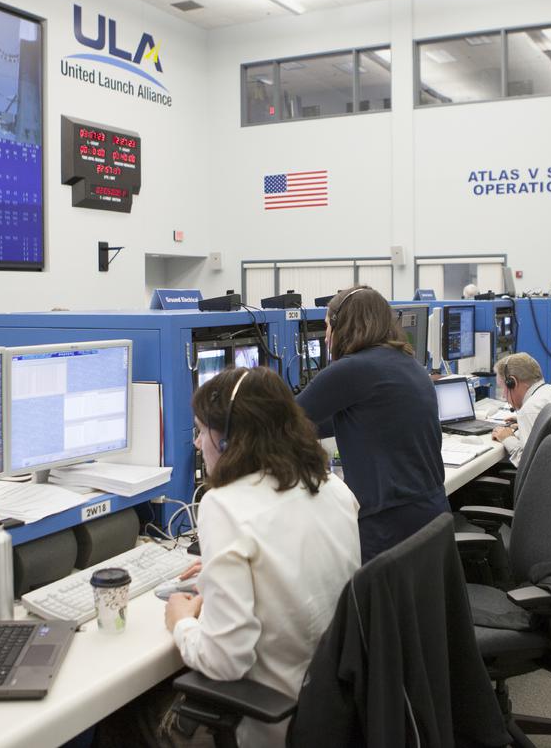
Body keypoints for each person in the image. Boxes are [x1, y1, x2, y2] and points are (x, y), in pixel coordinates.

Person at [164, 366, 361, 748]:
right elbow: (302, 556)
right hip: (335, 707)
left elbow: (225, 660)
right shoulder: (331, 485)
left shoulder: (223, 506)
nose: (199, 442)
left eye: (203, 430)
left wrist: (181, 623)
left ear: (228, 441)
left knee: (124, 721)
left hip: (274, 717)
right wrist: (230, 570)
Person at [296, 285, 448, 562]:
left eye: (328, 326)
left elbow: (281, 418)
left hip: (389, 523)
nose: (327, 337)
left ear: (342, 325)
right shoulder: (406, 361)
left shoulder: (352, 369)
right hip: (427, 514)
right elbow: (339, 421)